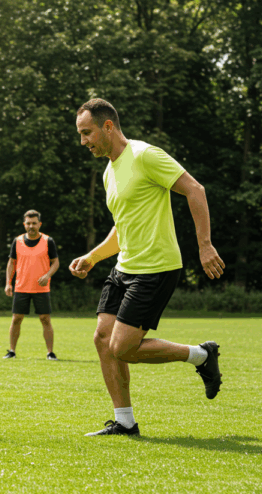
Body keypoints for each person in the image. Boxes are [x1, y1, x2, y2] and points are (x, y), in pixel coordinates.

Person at [70, 99, 225, 436]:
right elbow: (121, 227)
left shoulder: (145, 155)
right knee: (102, 338)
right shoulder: (109, 171)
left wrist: (205, 244)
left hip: (156, 267)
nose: (83, 141)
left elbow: (194, 189)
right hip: (125, 267)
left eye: (87, 133)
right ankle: (124, 422)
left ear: (107, 126)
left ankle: (200, 355)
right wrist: (92, 257)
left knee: (122, 347)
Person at [3, 210, 60, 360]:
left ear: (39, 224)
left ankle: (50, 352)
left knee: (45, 319)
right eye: (28, 223)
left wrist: (47, 275)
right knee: (16, 319)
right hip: (21, 287)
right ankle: (12, 351)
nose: (31, 226)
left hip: (41, 288)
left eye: (34, 223)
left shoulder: (48, 241)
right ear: (24, 224)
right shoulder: (17, 241)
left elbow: (56, 262)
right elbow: (11, 263)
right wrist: (8, 283)